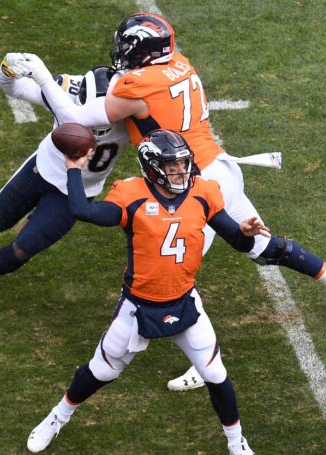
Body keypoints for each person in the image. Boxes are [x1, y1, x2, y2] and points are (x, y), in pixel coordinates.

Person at [10, 12, 326, 390]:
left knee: (176, 271)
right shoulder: (181, 64)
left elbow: (75, 121)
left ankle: (201, 358)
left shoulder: (136, 85)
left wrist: (44, 77)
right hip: (222, 167)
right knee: (258, 245)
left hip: (194, 181)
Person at [27, 129, 263, 454]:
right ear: (152, 168)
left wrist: (245, 232)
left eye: (184, 163)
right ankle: (57, 418)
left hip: (184, 302)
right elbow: (84, 211)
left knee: (215, 374)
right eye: (172, 166)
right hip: (138, 306)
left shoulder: (204, 192)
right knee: (100, 371)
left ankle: (237, 444)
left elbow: (237, 241)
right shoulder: (131, 194)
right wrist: (73, 166)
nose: (181, 171)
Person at [0, 58, 130, 310]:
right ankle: (35, 207)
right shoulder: (69, 90)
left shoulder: (132, 110)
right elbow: (16, 88)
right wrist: (7, 68)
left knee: (23, 250)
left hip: (75, 191)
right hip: (41, 169)